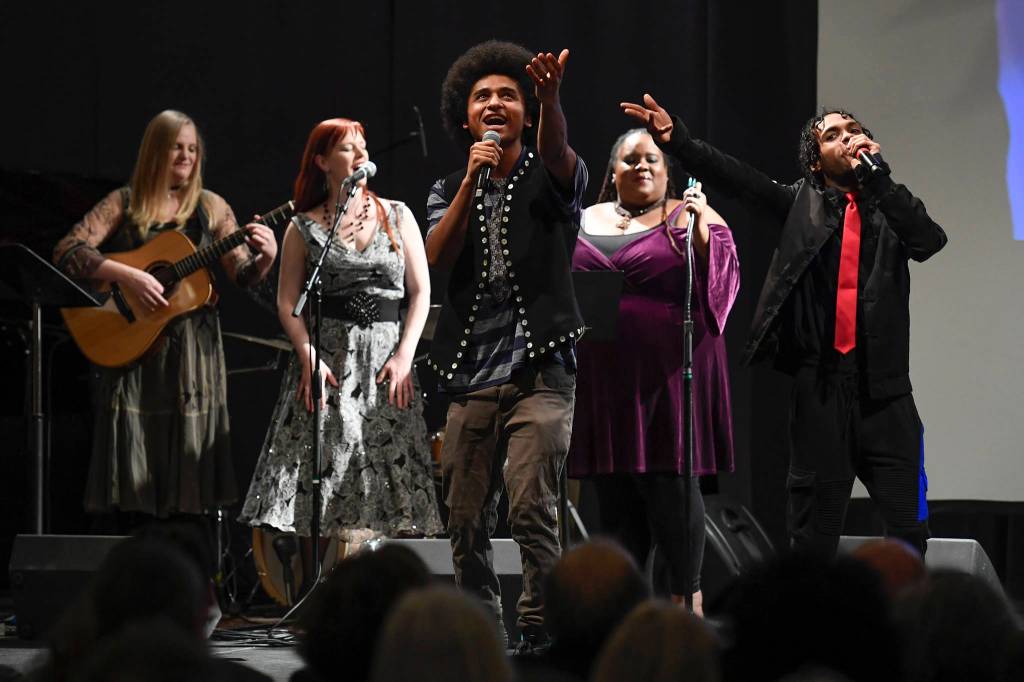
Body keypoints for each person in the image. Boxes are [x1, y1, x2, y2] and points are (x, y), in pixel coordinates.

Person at [623, 95, 947, 557]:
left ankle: (906, 626)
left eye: (853, 129)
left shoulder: (891, 207)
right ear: (816, 162)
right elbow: (739, 180)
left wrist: (881, 179)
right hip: (822, 389)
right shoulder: (800, 205)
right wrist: (681, 141)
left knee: (909, 529)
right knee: (813, 537)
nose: (847, 137)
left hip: (887, 396)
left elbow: (929, 240)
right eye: (832, 135)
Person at [425, 40, 588, 650]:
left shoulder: (549, 173)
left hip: (540, 375)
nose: (495, 103)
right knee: (464, 521)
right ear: (464, 115)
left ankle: (543, 634)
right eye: (482, 96)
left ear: (526, 110)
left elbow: (558, 153)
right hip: (471, 376)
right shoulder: (448, 186)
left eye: (509, 95)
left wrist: (552, 105)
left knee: (530, 511)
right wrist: (471, 180)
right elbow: (437, 255)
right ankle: (480, 633)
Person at [239, 118, 442, 583]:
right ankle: (314, 593)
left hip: (385, 363)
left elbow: (420, 291)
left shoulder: (398, 215)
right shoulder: (303, 228)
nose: (360, 154)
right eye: (348, 148)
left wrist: (405, 356)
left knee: (380, 477)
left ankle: (383, 592)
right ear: (323, 162)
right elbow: (288, 302)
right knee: (324, 477)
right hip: (329, 363)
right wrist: (308, 354)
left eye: (362, 146)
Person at [53, 109, 277, 519]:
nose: (186, 155)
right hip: (137, 352)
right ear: (156, 150)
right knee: (137, 488)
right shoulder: (125, 202)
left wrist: (268, 257)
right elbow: (69, 251)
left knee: (187, 492)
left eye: (193, 148)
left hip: (193, 356)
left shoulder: (212, 207)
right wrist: (129, 276)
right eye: (177, 146)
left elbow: (244, 275)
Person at [570, 128, 740, 615]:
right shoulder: (584, 219)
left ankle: (686, 608)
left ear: (667, 172)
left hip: (670, 378)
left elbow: (725, 285)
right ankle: (619, 619)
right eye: (629, 160)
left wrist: (701, 226)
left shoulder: (690, 216)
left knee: (671, 498)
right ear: (613, 171)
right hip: (605, 382)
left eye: (651, 159)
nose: (641, 166)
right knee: (614, 505)